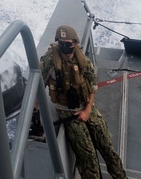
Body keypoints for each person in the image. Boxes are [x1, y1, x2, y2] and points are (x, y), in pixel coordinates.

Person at [40, 25, 127, 179]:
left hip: (87, 106)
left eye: (68, 43)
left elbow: (93, 87)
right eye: (61, 43)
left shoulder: (83, 61)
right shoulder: (50, 61)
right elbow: (38, 84)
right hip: (67, 111)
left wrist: (87, 110)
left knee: (107, 147)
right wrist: (34, 107)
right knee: (88, 156)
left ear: (75, 43)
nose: (65, 47)